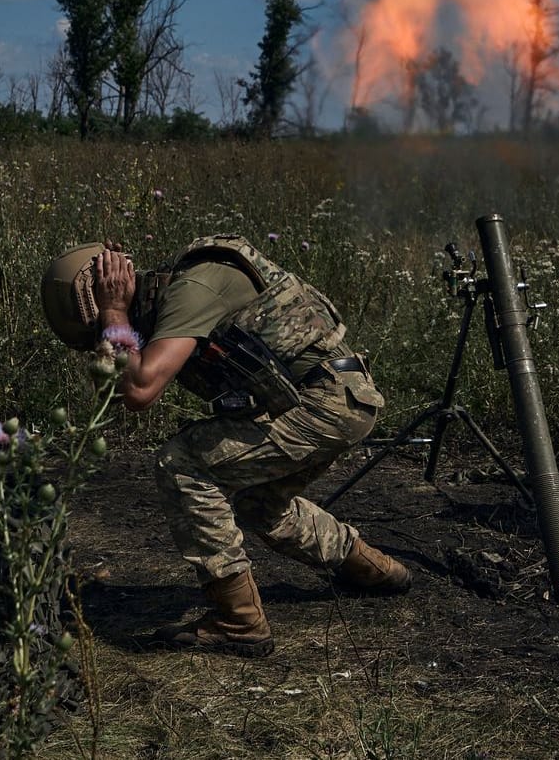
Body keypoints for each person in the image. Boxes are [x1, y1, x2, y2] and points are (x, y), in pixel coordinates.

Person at [41, 234, 412, 657]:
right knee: (260, 507)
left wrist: (111, 310)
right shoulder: (171, 302)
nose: (106, 339)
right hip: (328, 401)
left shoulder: (191, 288)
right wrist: (114, 327)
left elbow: (141, 390)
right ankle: (377, 571)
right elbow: (120, 389)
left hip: (325, 400)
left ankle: (238, 621)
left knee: (181, 462)